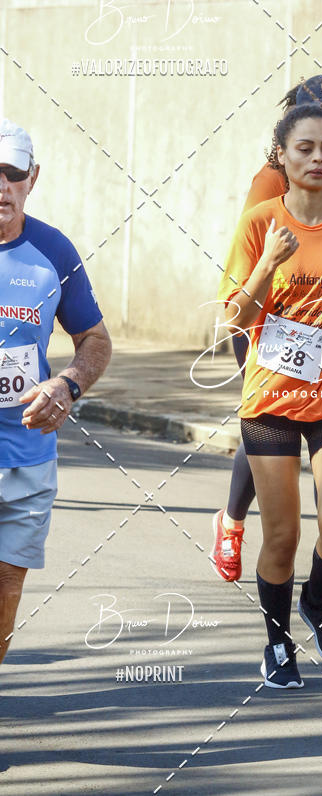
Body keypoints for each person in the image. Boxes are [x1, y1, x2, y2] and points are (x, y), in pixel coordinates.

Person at [218, 103, 322, 687]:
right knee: (283, 536)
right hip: (271, 400)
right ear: (283, 156)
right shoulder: (259, 220)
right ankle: (277, 641)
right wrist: (268, 261)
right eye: (305, 148)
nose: (318, 158)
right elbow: (234, 319)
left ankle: (317, 601)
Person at [0, 118, 111, 666]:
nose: (1, 186)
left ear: (31, 178)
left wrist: (67, 386)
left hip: (26, 454)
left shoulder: (53, 252)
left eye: (12, 173)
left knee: (5, 592)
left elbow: (95, 339)